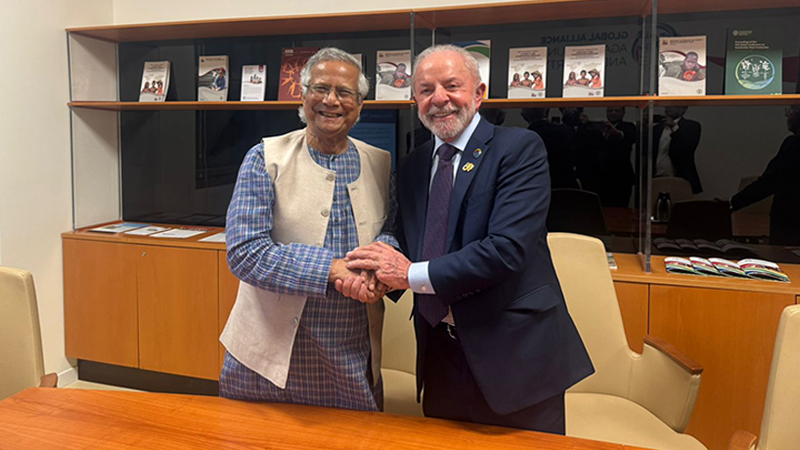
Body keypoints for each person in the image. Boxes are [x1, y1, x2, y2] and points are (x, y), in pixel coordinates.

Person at [340, 45, 593, 433]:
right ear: (415, 100)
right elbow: (404, 237)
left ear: (479, 93)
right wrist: (369, 271)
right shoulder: (413, 164)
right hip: (440, 355)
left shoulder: (519, 150)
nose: (439, 98)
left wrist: (407, 275)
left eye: (452, 85)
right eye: (426, 90)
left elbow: (505, 250)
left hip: (515, 356)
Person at [220, 47, 395, 411]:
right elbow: (245, 253)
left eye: (344, 92)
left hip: (351, 353)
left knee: (355, 436)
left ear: (360, 105)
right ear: (302, 96)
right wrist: (333, 269)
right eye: (320, 89)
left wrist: (377, 266)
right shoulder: (264, 158)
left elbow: (390, 229)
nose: (331, 100)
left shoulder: (379, 162)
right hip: (268, 359)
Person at [731, 106, 800, 245]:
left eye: (791, 110)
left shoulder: (794, 144)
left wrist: (734, 202)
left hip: (791, 222)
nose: (787, 115)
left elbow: (771, 181)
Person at [652, 106, 703, 194]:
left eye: (673, 105)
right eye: (667, 105)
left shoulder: (691, 126)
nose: (669, 107)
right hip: (656, 178)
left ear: (683, 109)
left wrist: (674, 127)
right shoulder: (657, 129)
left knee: (679, 201)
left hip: (680, 178)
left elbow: (688, 147)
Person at [600, 107, 637, 207]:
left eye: (617, 111)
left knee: (620, 207)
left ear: (623, 113)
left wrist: (617, 132)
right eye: (610, 111)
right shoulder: (601, 127)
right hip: (602, 176)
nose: (613, 113)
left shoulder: (628, 127)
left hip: (621, 176)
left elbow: (631, 137)